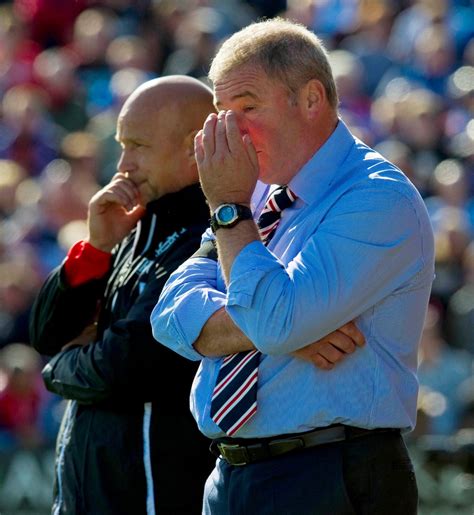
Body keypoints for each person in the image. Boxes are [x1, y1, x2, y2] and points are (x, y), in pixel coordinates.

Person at [151, 18, 435, 515]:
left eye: (248, 107)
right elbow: (169, 316)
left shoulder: (376, 197)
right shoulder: (254, 190)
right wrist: (279, 331)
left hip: (332, 473)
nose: (230, 130)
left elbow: (274, 320)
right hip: (232, 476)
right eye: (221, 111)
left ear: (310, 99)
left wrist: (230, 214)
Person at [29, 76, 218, 515]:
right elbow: (45, 333)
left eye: (138, 146)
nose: (123, 164)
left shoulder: (208, 238)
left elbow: (126, 367)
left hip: (154, 497)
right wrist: (95, 249)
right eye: (121, 145)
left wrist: (57, 371)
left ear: (193, 147)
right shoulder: (132, 227)